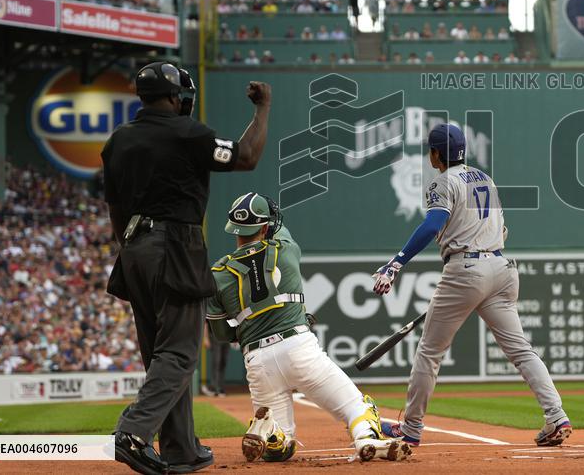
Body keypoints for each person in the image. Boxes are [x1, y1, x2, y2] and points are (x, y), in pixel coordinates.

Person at [101, 62, 272, 475]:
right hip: (175, 244)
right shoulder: (188, 132)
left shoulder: (119, 139)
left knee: (160, 354)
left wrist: (130, 248)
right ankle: (133, 432)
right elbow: (247, 156)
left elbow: (115, 206)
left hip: (133, 248)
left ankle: (180, 449)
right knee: (179, 352)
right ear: (175, 97)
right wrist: (262, 109)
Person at [370, 124, 572, 448]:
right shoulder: (485, 179)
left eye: (430, 150)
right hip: (502, 268)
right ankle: (556, 416)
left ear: (436, 154)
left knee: (429, 353)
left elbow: (432, 225)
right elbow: (503, 230)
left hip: (466, 269)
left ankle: (411, 428)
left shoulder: (442, 181)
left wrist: (396, 263)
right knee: (521, 350)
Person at [206, 193, 412, 464]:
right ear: (265, 227)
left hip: (257, 360)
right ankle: (365, 438)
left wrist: (249, 328)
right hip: (298, 347)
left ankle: (271, 431)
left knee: (280, 451)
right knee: (359, 406)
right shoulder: (285, 249)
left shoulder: (218, 273)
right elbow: (277, 229)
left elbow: (221, 334)